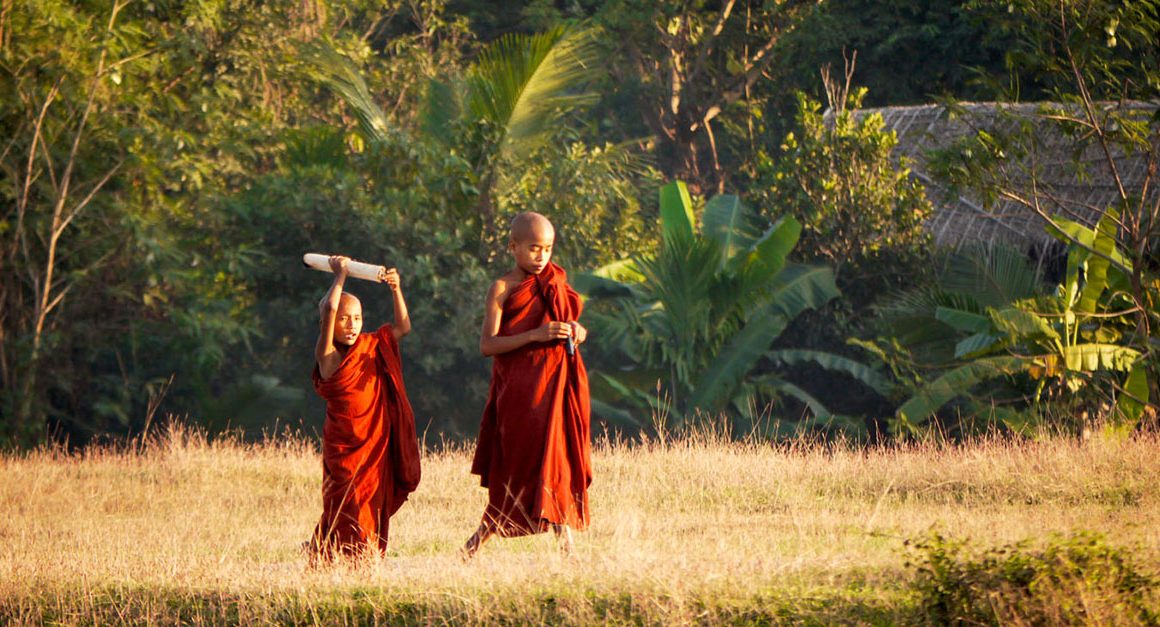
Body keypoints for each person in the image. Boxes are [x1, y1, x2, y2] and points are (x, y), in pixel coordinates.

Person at [462, 212, 592, 558]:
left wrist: (578, 332)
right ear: (513, 247)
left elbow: (573, 323)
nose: (541, 257)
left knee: (556, 464)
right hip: (519, 395)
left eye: (547, 249)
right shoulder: (502, 288)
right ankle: (475, 543)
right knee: (517, 471)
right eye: (533, 249)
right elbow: (488, 345)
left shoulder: (556, 283)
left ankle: (567, 549)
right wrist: (536, 334)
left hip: (554, 390)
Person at [309, 255, 421, 563]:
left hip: (374, 445)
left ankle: (364, 560)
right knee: (344, 503)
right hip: (345, 447)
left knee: (370, 503)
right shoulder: (328, 354)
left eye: (357, 318)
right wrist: (340, 276)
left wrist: (396, 290)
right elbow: (330, 307)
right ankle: (334, 558)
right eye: (345, 319)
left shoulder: (373, 344)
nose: (351, 325)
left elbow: (403, 326)